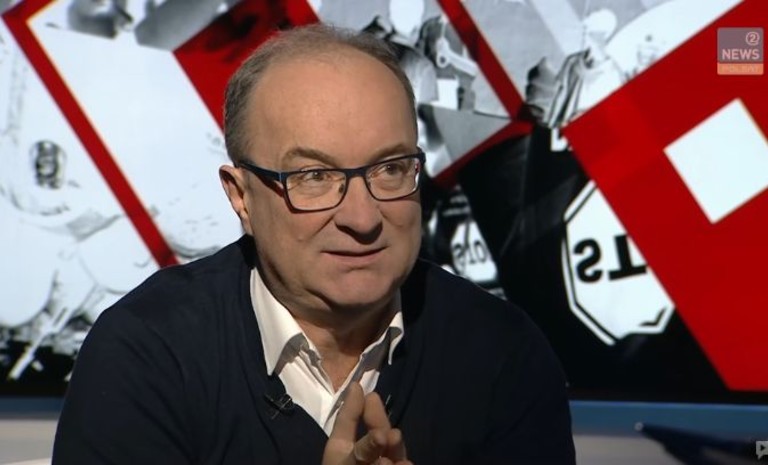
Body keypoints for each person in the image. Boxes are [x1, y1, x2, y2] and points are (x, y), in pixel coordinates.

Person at [52, 24, 575, 464]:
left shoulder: (502, 354)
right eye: (314, 177)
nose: (362, 217)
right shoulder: (146, 355)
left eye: (391, 168)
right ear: (240, 197)